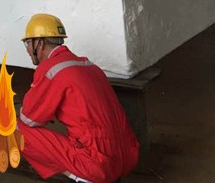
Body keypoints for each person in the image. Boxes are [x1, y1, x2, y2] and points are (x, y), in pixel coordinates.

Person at [17, 14, 139, 183]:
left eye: (28, 43)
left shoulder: (51, 69)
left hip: (97, 161)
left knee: (17, 130)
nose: (28, 49)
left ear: (40, 43)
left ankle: (81, 178)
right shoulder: (89, 65)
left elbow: (29, 119)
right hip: (127, 154)